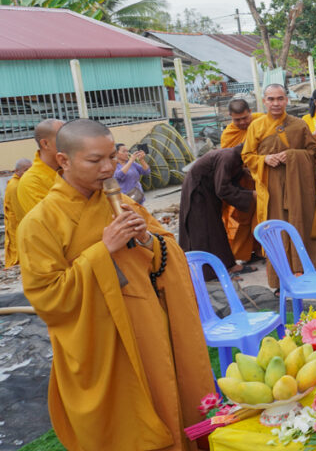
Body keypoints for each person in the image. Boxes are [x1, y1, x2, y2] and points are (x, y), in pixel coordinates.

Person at [19, 119, 214, 451]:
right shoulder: (39, 223)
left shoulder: (120, 201)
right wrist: (102, 250)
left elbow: (166, 255)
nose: (109, 167)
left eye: (112, 156)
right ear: (64, 161)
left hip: (149, 326)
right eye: (95, 161)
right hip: (102, 343)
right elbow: (48, 298)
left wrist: (147, 239)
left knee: (167, 403)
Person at [241, 83, 316, 288]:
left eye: (279, 98)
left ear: (287, 100)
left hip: (299, 188)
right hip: (271, 188)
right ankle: (281, 283)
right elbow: (247, 156)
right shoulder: (256, 127)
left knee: (302, 226)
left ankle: (309, 274)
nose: (275, 103)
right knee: (276, 231)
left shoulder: (299, 125)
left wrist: (293, 156)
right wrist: (265, 160)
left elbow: (312, 152)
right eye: (271, 99)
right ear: (264, 101)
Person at [179, 145, 255, 274]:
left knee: (216, 230)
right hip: (198, 193)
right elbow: (223, 189)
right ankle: (207, 271)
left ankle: (227, 265)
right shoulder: (228, 157)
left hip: (207, 193)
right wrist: (251, 195)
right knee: (203, 231)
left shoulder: (235, 158)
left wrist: (243, 174)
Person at [220, 99, 263, 265]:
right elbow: (228, 160)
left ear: (250, 111)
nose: (243, 123)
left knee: (264, 216)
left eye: (245, 118)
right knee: (243, 219)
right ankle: (243, 254)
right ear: (230, 117)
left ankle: (264, 251)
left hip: (264, 177)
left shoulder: (261, 121)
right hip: (243, 181)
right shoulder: (229, 134)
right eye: (237, 120)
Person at [18, 119, 65, 214]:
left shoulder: (71, 169)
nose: (72, 143)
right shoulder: (31, 181)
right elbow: (50, 220)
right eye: (64, 138)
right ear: (45, 144)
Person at [3, 158, 32, 268]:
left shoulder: (20, 182)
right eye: (25, 170)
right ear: (17, 171)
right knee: (18, 252)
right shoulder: (15, 186)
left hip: (18, 223)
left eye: (30, 169)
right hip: (18, 224)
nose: (28, 172)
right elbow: (20, 211)